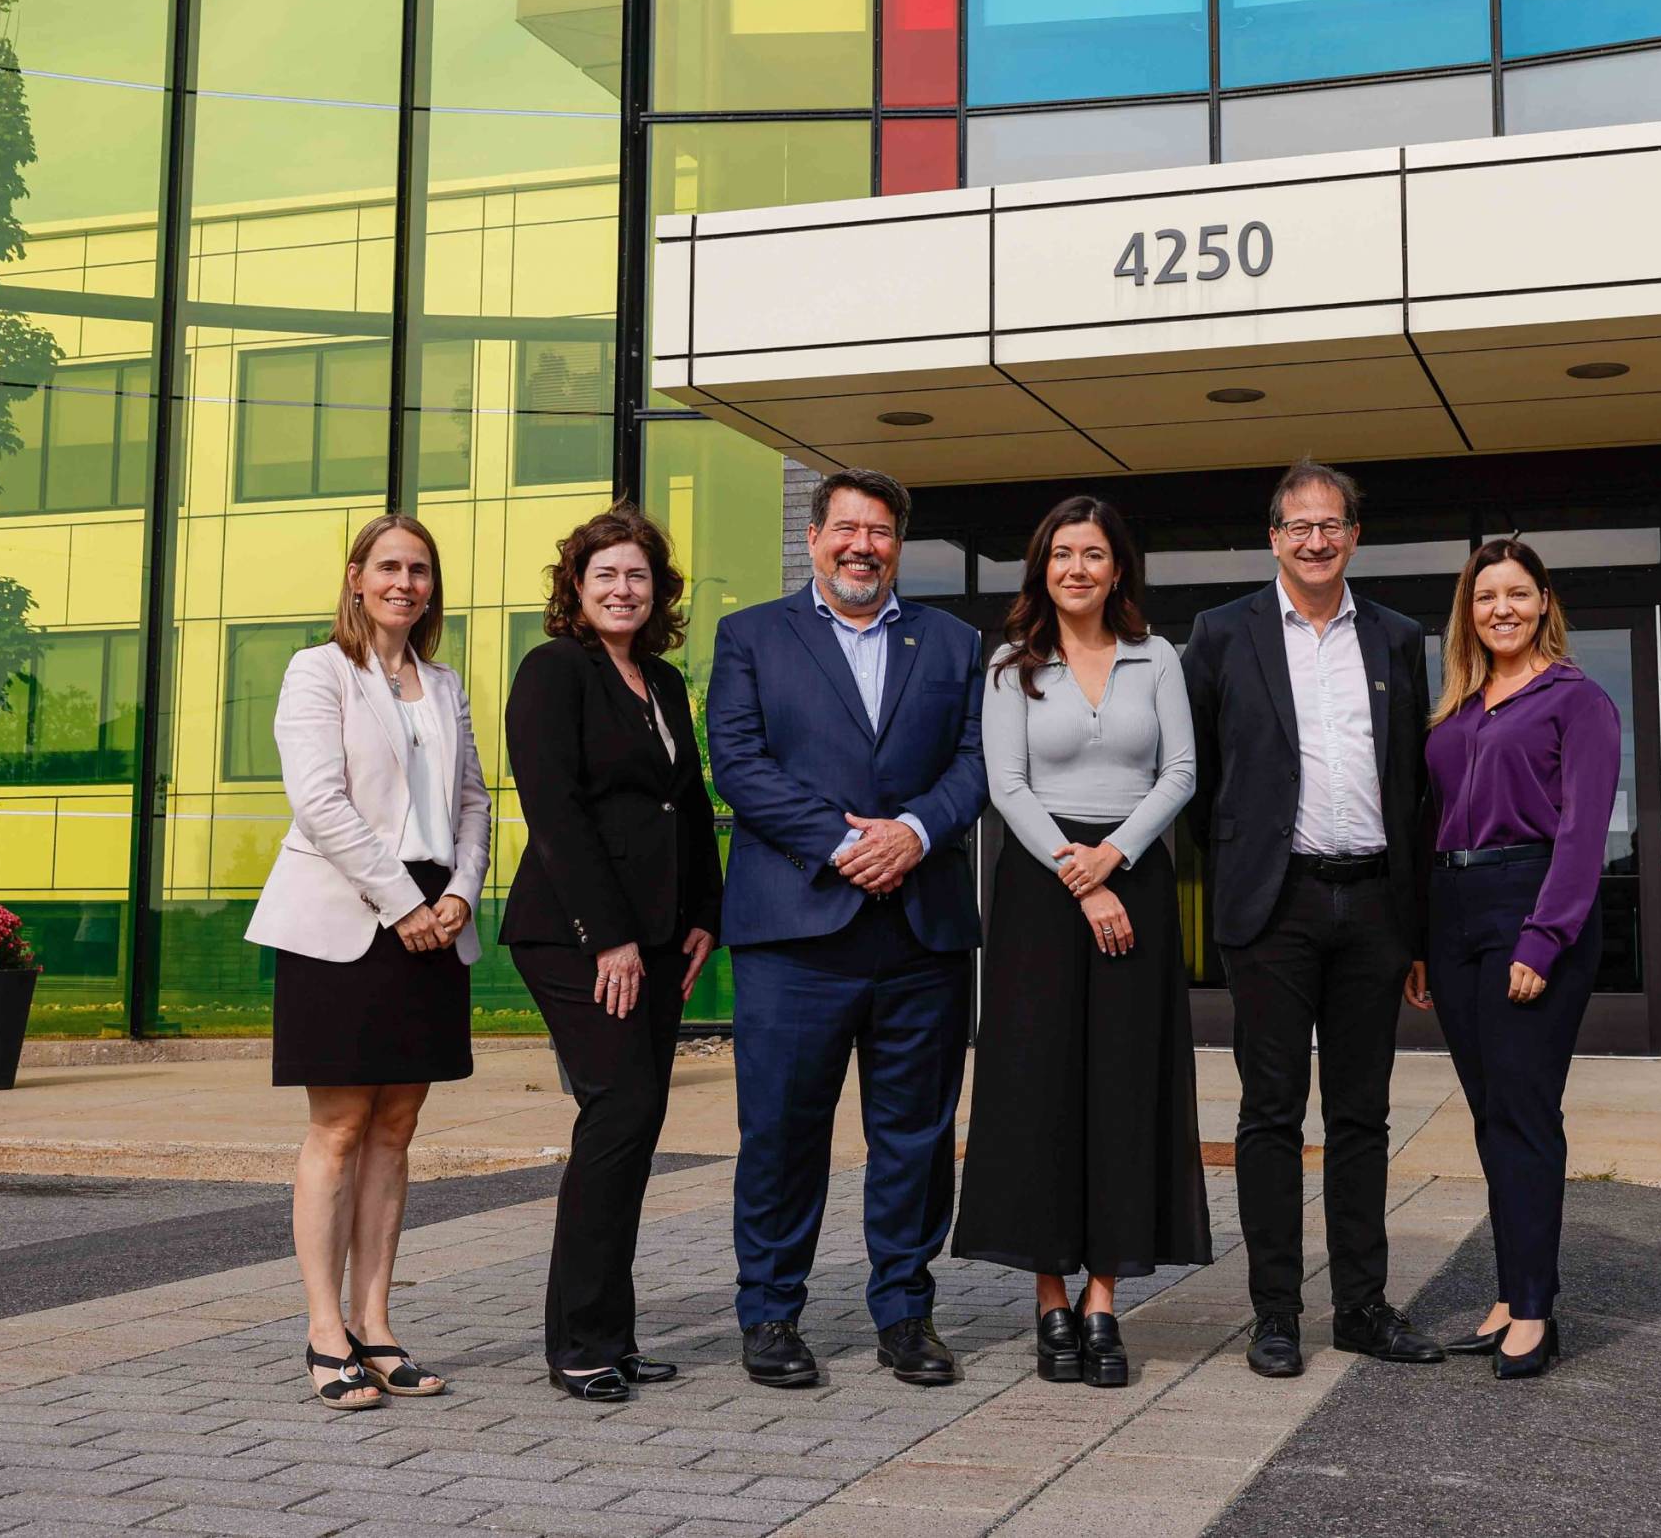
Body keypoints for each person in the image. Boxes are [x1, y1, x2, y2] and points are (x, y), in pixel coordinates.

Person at [707, 467, 988, 1389]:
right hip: (795, 934)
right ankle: (770, 1313)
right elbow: (737, 762)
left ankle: (905, 1312)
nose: (862, 546)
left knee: (915, 1136)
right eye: (846, 529)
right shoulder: (751, 635)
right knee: (782, 1133)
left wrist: (913, 832)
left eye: (879, 531)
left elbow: (976, 759)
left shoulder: (952, 640)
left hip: (920, 932)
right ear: (814, 536)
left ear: (898, 544)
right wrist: (843, 843)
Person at [1182, 459, 1443, 1378]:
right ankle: (1275, 1313)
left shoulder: (1396, 637)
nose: (1316, 540)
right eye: (1299, 525)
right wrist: (1237, 871)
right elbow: (1197, 777)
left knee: (1362, 1113)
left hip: (1373, 901)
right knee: (1270, 1112)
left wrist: (1415, 927)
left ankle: (1362, 1307)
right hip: (1274, 904)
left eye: (1331, 524)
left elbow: (1413, 784)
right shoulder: (1221, 633)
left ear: (1354, 537)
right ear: (1274, 537)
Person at [954, 495, 1209, 1389]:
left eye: (1093, 553)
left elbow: (1180, 770)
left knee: (1123, 1090)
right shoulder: (1009, 665)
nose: (1076, 568)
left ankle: (1103, 1298)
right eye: (1062, 553)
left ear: (1116, 568)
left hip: (1134, 878)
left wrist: (1116, 857)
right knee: (1041, 1090)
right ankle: (1050, 1298)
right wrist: (1082, 875)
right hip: (1040, 887)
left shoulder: (1156, 656)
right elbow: (1006, 784)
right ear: (1042, 566)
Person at [248, 513, 490, 1412]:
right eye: (388, 566)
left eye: (419, 569)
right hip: (348, 916)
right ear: (355, 576)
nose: (404, 582)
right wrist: (403, 903)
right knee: (341, 1125)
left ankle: (376, 1326)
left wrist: (461, 891)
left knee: (397, 1126)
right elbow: (318, 801)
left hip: (436, 911)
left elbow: (474, 802)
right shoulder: (318, 670)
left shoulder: (445, 684)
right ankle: (324, 1329)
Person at [501, 504, 721, 1403]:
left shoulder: (660, 680)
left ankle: (610, 1335)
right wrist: (611, 936)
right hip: (575, 933)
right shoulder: (554, 670)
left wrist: (705, 912)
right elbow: (552, 806)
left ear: (657, 591)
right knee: (617, 1113)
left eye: (637, 576)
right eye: (606, 575)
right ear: (577, 587)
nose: (623, 589)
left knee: (633, 1125)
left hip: (661, 933)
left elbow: (687, 800)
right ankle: (579, 1343)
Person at [1406, 537, 1621, 1381]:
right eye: (1485, 595)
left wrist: (1543, 935)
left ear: (1543, 603)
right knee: (1489, 1111)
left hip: (1530, 903)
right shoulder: (1457, 708)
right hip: (1454, 910)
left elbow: (1582, 830)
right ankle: (1508, 1292)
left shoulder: (1577, 700)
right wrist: (1422, 940)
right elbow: (1430, 821)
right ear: (1468, 610)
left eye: (1516, 593)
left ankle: (1534, 1309)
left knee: (1524, 1111)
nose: (1501, 608)